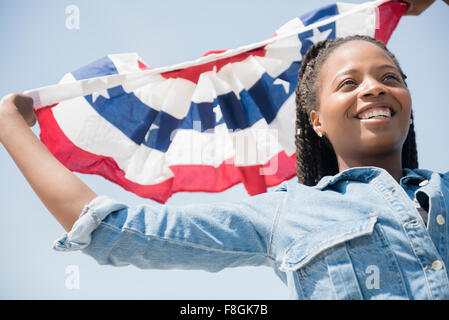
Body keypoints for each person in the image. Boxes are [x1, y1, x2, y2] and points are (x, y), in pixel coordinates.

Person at [0, 0, 446, 300]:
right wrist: (10, 128)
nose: (373, 89)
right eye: (349, 83)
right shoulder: (285, 214)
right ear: (315, 120)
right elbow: (114, 232)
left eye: (390, 78)